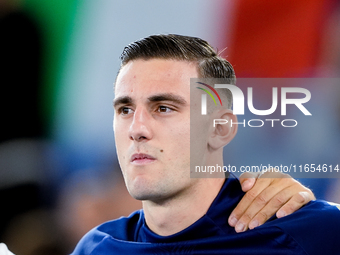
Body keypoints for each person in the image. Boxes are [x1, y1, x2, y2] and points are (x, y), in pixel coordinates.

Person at [71, 34, 340, 254]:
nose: (137, 129)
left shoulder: (310, 232)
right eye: (125, 110)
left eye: (163, 108)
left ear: (220, 129)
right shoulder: (96, 247)